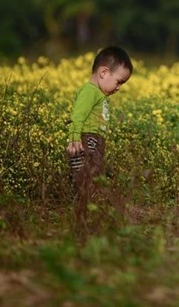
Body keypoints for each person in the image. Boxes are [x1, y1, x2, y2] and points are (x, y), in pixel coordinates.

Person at [66, 46, 133, 228]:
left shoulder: (98, 94)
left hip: (93, 141)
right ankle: (85, 215)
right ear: (104, 72)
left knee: (93, 177)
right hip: (85, 140)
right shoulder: (90, 91)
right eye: (119, 82)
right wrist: (74, 139)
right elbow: (77, 116)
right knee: (86, 177)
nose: (119, 88)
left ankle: (89, 213)